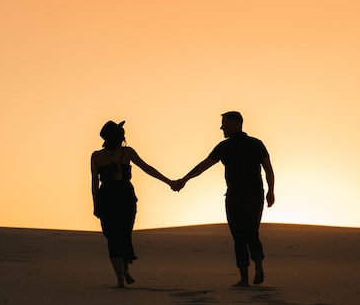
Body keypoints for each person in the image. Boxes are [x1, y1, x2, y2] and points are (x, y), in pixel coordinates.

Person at [172, 111, 275, 286]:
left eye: (224, 123)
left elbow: (203, 166)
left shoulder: (226, 146)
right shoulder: (254, 144)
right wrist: (270, 191)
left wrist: (184, 180)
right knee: (251, 232)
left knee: (239, 235)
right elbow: (268, 170)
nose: (221, 127)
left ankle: (244, 279)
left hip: (238, 196)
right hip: (253, 194)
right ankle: (258, 266)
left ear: (235, 125)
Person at [91, 120, 174, 287]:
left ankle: (122, 276)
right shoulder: (111, 154)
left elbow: (94, 184)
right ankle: (123, 274)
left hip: (114, 196)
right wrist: (169, 182)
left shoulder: (107, 155)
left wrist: (168, 181)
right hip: (119, 195)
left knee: (117, 235)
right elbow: (147, 168)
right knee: (119, 234)